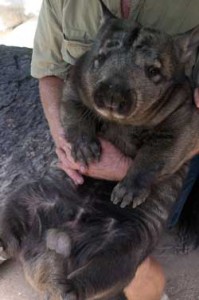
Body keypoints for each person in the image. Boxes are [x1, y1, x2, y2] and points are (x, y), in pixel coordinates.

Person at [31, 1, 199, 299]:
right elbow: (51, 73)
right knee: (42, 210)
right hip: (90, 147)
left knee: (123, 246)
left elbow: (189, 125)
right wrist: (68, 137)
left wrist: (132, 171)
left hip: (159, 161)